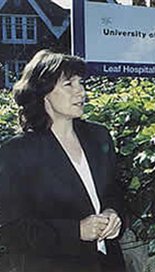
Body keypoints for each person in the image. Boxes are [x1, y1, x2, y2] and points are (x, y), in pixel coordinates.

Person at [0, 50, 126, 272]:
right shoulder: (16, 152)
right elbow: (11, 229)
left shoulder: (99, 136)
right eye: (69, 84)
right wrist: (76, 231)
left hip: (108, 264)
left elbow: (114, 192)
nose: (81, 91)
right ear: (43, 93)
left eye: (81, 82)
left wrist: (113, 214)